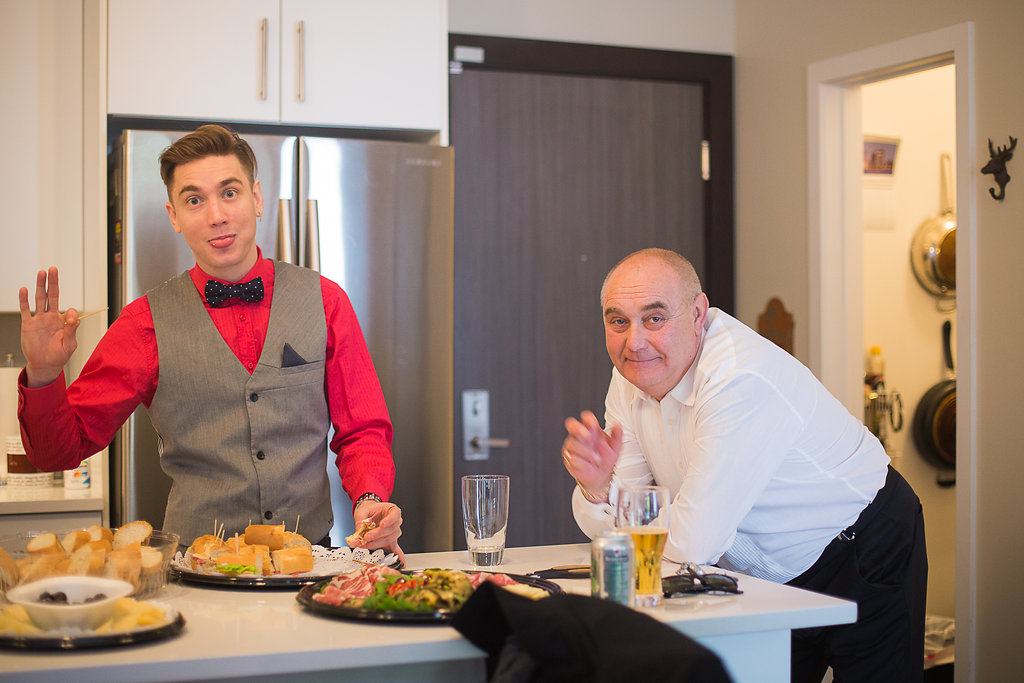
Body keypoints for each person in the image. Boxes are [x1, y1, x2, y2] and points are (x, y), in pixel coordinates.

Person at [17, 124, 404, 560]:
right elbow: (59, 451)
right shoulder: (144, 322)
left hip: (305, 565)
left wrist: (369, 499)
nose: (216, 215)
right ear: (174, 216)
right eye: (194, 200)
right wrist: (45, 374)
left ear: (257, 199)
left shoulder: (326, 301)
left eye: (230, 192)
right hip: (194, 572)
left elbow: (363, 429)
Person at [562, 248, 927, 683]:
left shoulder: (739, 379)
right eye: (618, 320)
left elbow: (689, 545)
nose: (634, 342)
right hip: (762, 578)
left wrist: (629, 511)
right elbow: (628, 529)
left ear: (698, 314)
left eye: (655, 318)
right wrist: (599, 490)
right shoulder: (630, 378)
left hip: (864, 545)